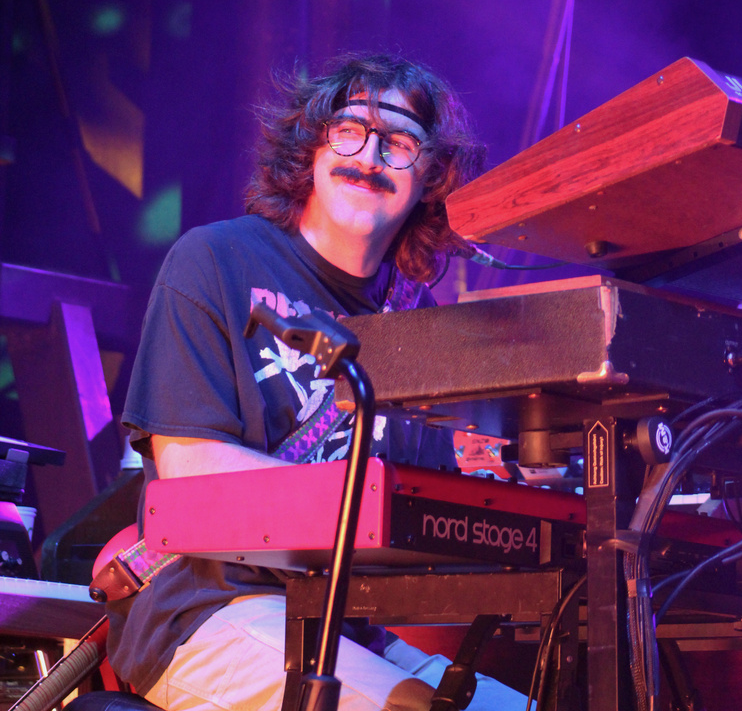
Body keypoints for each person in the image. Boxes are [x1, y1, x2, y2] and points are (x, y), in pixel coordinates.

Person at [107, 53, 530, 711]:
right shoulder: (216, 259)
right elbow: (192, 473)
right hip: (209, 612)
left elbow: (463, 479)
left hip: (348, 624)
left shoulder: (420, 323)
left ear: (433, 178)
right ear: (309, 147)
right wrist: (370, 499)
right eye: (348, 131)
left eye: (400, 142)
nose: (370, 156)